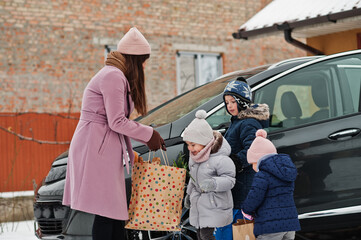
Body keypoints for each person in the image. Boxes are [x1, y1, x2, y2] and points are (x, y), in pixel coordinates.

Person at [62, 27, 166, 240]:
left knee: (115, 212)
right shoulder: (113, 76)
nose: (144, 66)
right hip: (95, 147)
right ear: (134, 59)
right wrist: (149, 135)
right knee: (107, 211)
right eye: (142, 61)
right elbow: (117, 121)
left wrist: (137, 144)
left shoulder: (115, 75)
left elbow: (116, 122)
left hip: (101, 144)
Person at [215, 77, 270, 240]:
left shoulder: (248, 123)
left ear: (243, 102)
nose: (229, 106)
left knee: (239, 227)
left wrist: (235, 161)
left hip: (244, 186)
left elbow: (254, 150)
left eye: (233, 101)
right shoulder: (237, 122)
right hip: (236, 185)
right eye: (226, 102)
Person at [182, 110, 236, 240]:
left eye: (193, 144)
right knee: (201, 235)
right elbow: (193, 180)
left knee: (207, 236)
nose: (190, 148)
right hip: (200, 205)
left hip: (215, 205)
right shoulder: (194, 158)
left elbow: (229, 180)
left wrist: (214, 183)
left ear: (205, 142)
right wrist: (189, 195)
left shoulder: (220, 159)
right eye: (188, 145)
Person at [242, 129, 301, 239]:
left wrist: (246, 210)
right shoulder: (286, 172)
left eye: (252, 163)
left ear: (259, 160)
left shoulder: (263, 175)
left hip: (270, 226)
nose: (253, 167)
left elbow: (255, 196)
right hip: (290, 224)